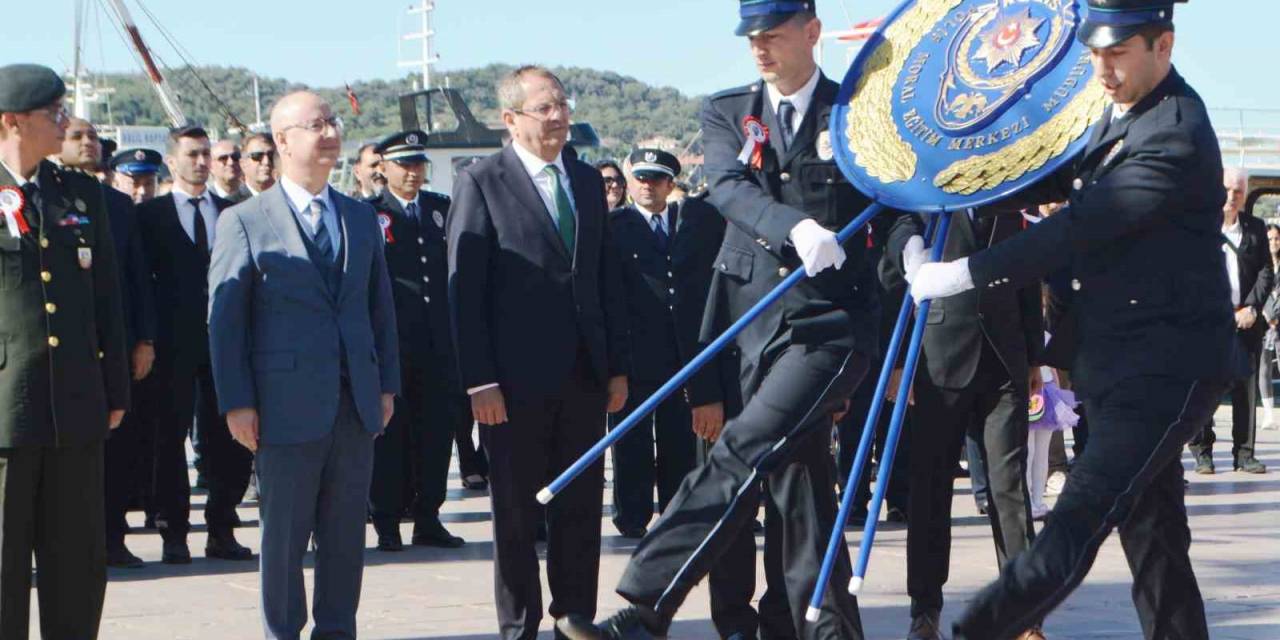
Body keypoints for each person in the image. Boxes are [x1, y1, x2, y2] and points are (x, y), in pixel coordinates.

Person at [908, 3, 1235, 637]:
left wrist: (961, 273)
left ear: (1163, 44)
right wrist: (954, 182)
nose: (1101, 70)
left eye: (1116, 54)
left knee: (1081, 512)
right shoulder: (1125, 114)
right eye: (1094, 55)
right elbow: (1058, 178)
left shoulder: (1174, 131)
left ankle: (982, 628)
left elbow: (1079, 225)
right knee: (1153, 536)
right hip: (1118, 360)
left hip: (1166, 367)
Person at [558, 3, 880, 637]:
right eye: (752, 38)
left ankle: (647, 607)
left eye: (774, 36)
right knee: (799, 481)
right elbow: (730, 186)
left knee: (744, 445)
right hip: (753, 317)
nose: (760, 49)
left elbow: (888, 203)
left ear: (812, 33)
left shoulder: (856, 111)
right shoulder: (730, 110)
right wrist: (798, 227)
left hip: (831, 321)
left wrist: (912, 250)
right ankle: (826, 628)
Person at [447, 65, 629, 640]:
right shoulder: (482, 181)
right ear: (511, 119)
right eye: (543, 108)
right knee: (517, 514)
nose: (557, 117)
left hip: (583, 374)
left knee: (579, 506)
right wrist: (480, 382)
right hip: (512, 383)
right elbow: (464, 290)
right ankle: (519, 623)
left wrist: (617, 366)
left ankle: (574, 613)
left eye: (561, 105)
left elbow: (604, 278)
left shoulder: (581, 178)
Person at [210, 91, 399, 639]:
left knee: (345, 539)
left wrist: (385, 383)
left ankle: (337, 631)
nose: (330, 132)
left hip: (354, 403)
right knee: (284, 541)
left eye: (333, 122)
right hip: (283, 407)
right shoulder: (244, 221)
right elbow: (225, 323)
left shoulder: (360, 217)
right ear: (283, 140)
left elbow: (379, 308)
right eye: (317, 124)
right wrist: (237, 402)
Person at [0, 63, 130, 639]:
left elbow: (107, 299)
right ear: (11, 122)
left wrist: (115, 388)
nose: (64, 120)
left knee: (77, 562)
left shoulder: (78, 194)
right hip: (6, 408)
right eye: (52, 113)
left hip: (76, 404)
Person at [889, 202, 1044, 640]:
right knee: (930, 489)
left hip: (1004, 358)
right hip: (939, 359)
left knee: (1008, 488)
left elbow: (1027, 276)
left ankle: (1025, 615)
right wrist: (899, 359)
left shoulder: (1008, 191)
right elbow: (895, 248)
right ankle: (924, 611)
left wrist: (1035, 357)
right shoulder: (928, 197)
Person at [137, 125, 255, 563]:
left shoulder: (233, 213)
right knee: (168, 440)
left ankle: (222, 528)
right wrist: (144, 339)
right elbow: (139, 284)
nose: (202, 162)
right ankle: (173, 533)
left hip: (225, 344)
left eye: (207, 153)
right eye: (192, 154)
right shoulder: (150, 216)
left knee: (229, 438)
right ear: (172, 161)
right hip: (170, 346)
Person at [606, 148, 725, 539]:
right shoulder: (615, 225)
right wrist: (614, 366)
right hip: (635, 351)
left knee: (678, 437)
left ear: (670, 184)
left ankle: (674, 509)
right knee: (632, 440)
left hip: (679, 353)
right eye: (640, 177)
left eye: (656, 179)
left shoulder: (691, 222)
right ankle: (632, 515)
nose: (646, 185)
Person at [58, 116, 160, 568]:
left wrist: (144, 339)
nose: (88, 144)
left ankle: (113, 537)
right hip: (66, 345)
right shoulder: (49, 198)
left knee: (119, 444)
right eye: (77, 136)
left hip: (114, 342)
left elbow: (137, 278)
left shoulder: (117, 205)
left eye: (93, 137)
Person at [366, 130, 466, 551]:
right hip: (393, 342)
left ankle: (429, 515)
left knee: (435, 433)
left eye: (417, 164)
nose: (411, 172)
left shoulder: (441, 210)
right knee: (390, 436)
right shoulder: (371, 213)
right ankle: (387, 521)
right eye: (403, 164)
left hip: (438, 343)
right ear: (384, 168)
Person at [1187, 166, 1270, 474]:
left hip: (1246, 321)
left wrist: (1252, 307)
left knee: (1246, 389)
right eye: (1227, 189)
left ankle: (1244, 453)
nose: (1232, 196)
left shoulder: (1256, 228)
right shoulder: (1199, 227)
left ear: (1245, 194)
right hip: (1208, 322)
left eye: (1238, 191)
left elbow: (1265, 271)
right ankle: (1203, 451)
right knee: (1204, 387)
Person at [1261, 223, 1280, 430]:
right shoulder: (1261, 263)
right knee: (1264, 367)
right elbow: (1260, 288)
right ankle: (1268, 413)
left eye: (1276, 239)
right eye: (1270, 239)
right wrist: (1267, 313)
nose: (1273, 243)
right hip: (1264, 322)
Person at [209, 139, 250, 203]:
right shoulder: (207, 200)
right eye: (223, 158)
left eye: (235, 157)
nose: (231, 162)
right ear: (210, 166)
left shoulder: (252, 196)